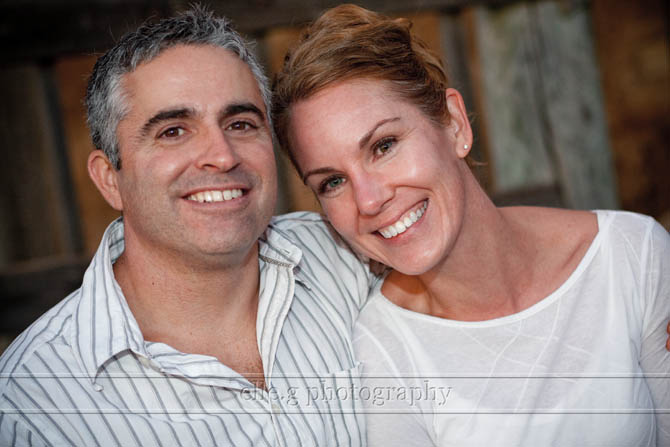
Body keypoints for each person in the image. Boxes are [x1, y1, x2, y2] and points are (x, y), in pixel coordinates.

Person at [272, 4, 670, 446]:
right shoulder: (382, 352)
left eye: (383, 145)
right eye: (332, 182)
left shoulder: (633, 254)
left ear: (454, 123)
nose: (369, 199)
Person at [0, 7, 376, 446]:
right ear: (109, 178)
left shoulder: (349, 258)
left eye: (240, 123)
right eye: (174, 131)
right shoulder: (32, 407)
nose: (222, 155)